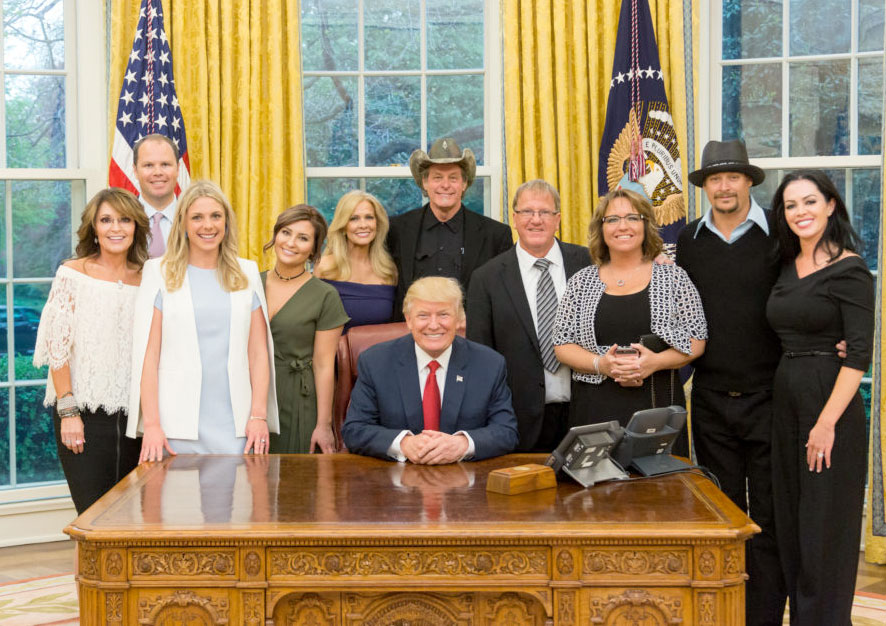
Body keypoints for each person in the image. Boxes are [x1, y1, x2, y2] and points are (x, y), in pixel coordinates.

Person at [676, 139, 786, 625]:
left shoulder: (780, 233)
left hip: (770, 396)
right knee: (722, 515)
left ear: (748, 182)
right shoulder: (688, 241)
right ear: (706, 187)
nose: (724, 187)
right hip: (711, 400)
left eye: (732, 177)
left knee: (768, 517)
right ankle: (727, 614)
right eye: (715, 179)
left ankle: (764, 616)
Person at [766, 170, 874, 626]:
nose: (801, 212)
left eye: (810, 201)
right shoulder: (785, 265)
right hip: (786, 401)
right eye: (791, 205)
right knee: (792, 525)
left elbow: (859, 355)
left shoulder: (850, 269)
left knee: (823, 529)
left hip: (829, 406)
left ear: (831, 205)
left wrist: (826, 424)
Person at [127, 180, 278, 460]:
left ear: (226, 222)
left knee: (241, 490)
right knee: (176, 490)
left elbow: (258, 354)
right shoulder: (158, 272)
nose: (208, 225)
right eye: (197, 217)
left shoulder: (247, 272)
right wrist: (152, 425)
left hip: (237, 424)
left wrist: (258, 416)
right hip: (175, 425)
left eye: (215, 216)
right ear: (183, 224)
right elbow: (148, 356)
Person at [552, 188, 707, 453]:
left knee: (660, 479)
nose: (622, 226)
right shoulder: (581, 282)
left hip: (656, 408)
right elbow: (562, 344)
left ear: (646, 225)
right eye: (612, 219)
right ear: (601, 229)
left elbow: (697, 340)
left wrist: (654, 362)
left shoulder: (674, 277)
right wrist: (602, 365)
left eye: (632, 218)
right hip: (594, 409)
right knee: (596, 480)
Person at [33, 188, 149, 514]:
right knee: (93, 514)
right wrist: (69, 413)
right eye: (106, 220)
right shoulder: (72, 274)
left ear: (136, 226)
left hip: (137, 419)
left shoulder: (149, 278)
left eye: (124, 220)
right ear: (94, 228)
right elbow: (58, 347)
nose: (116, 228)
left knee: (133, 516)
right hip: (83, 413)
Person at [467, 179, 590, 452]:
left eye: (544, 212)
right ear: (514, 218)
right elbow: (480, 356)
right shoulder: (486, 278)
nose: (536, 220)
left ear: (558, 219)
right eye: (527, 212)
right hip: (518, 420)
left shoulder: (589, 264)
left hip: (585, 412)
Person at [342, 276, 518, 463]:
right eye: (423, 315)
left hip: (464, 475)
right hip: (395, 476)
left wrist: (462, 444)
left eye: (443, 315)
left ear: (459, 319)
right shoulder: (376, 362)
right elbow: (355, 429)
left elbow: (506, 431)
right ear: (408, 320)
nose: (433, 325)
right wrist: (403, 444)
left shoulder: (489, 364)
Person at [387, 137, 512, 319]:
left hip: (470, 333)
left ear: (464, 184)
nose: (445, 185)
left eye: (453, 178)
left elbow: (503, 298)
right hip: (409, 331)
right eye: (437, 177)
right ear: (425, 182)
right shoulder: (396, 230)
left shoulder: (496, 235)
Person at [262, 205, 349, 453]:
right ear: (276, 235)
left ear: (313, 248)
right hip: (250, 396)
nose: (291, 243)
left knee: (296, 474)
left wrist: (323, 425)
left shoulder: (325, 296)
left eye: (303, 238)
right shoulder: (249, 283)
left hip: (298, 399)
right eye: (286, 232)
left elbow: (323, 365)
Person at [314, 190, 397, 331]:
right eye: (354, 218)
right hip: (334, 345)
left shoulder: (389, 270)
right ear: (343, 226)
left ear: (377, 224)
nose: (363, 225)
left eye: (369, 217)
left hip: (382, 345)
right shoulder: (325, 266)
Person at [133, 133, 180, 257]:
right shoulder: (121, 218)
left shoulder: (195, 218)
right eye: (148, 165)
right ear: (135, 171)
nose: (158, 172)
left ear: (178, 169)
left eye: (165, 164)